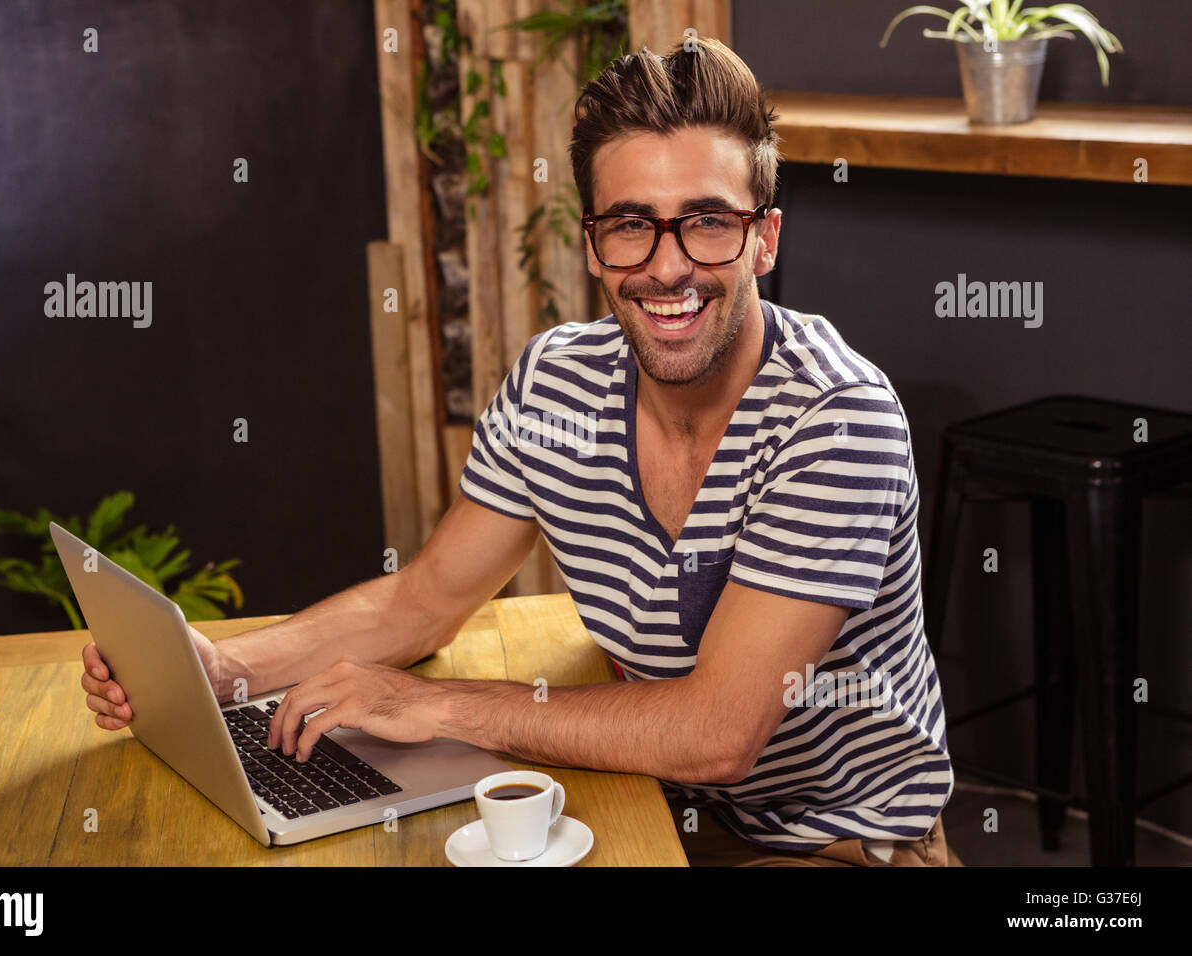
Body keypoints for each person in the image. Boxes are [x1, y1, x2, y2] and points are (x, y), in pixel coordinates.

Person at [82, 37, 957, 867]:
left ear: (763, 238)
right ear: (592, 246)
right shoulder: (555, 387)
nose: (667, 265)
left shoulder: (838, 421)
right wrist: (229, 671)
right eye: (630, 225)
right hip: (644, 798)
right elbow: (424, 601)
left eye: (707, 222)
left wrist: (431, 705)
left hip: (826, 841)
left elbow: (717, 734)